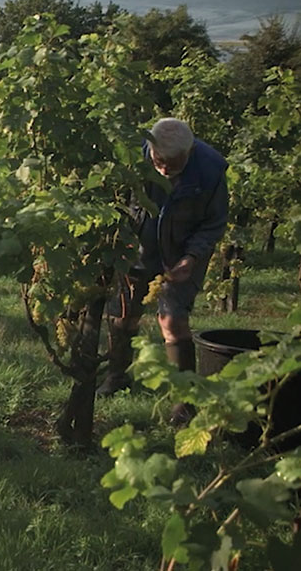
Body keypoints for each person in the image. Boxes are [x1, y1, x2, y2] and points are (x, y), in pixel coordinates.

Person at [98, 118, 230, 424]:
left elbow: (213, 223)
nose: (165, 169)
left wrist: (192, 257)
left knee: (172, 320)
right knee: (122, 316)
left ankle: (184, 404)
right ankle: (116, 378)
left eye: (173, 163)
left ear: (190, 151)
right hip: (134, 252)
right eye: (159, 161)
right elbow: (113, 203)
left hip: (181, 258)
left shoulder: (209, 170)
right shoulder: (131, 157)